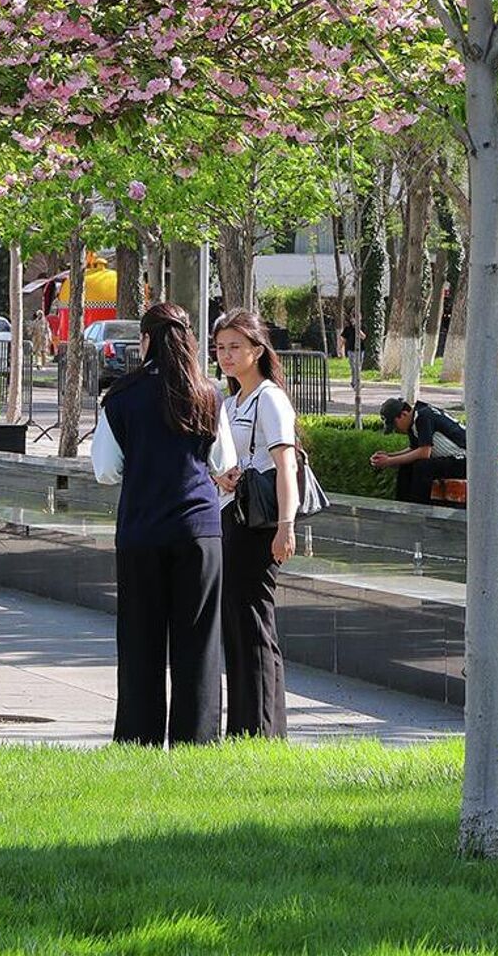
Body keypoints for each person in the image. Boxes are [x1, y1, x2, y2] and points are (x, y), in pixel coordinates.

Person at [91, 303, 236, 746]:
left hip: (141, 532)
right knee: (199, 641)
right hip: (198, 531)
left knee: (140, 639)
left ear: (147, 341)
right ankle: (197, 738)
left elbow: (104, 470)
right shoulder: (208, 394)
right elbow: (225, 461)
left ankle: (139, 736)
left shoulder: (121, 396)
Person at [209, 309, 298, 740]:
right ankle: (243, 727)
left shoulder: (269, 398)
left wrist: (287, 524)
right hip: (232, 519)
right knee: (237, 623)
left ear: (258, 351)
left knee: (256, 622)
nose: (226, 355)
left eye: (235, 347)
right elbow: (226, 463)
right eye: (221, 347)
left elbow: (286, 466)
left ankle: (264, 729)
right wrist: (219, 477)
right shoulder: (230, 402)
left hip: (261, 525)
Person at [372, 397, 468, 504]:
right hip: (454, 460)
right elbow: (414, 449)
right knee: (407, 466)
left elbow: (424, 453)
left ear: (403, 414)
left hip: (466, 461)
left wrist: (389, 461)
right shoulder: (414, 420)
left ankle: (420, 509)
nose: (396, 430)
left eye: (394, 425)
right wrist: (389, 456)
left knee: (423, 467)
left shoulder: (423, 416)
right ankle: (403, 506)